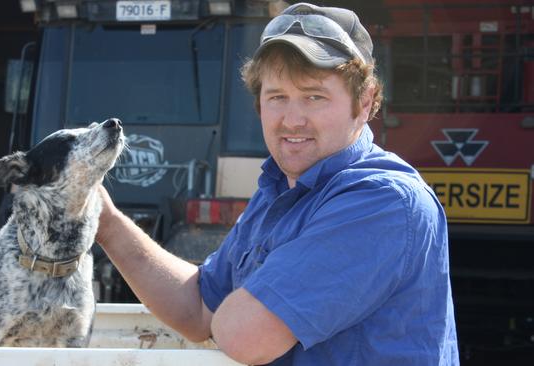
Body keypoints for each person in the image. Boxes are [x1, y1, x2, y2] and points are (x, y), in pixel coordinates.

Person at [95, 2, 459, 365]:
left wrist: (237, 309)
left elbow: (244, 336)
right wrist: (105, 221)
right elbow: (197, 310)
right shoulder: (280, 190)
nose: (292, 119)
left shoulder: (384, 202)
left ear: (363, 104)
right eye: (277, 97)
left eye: (314, 97)